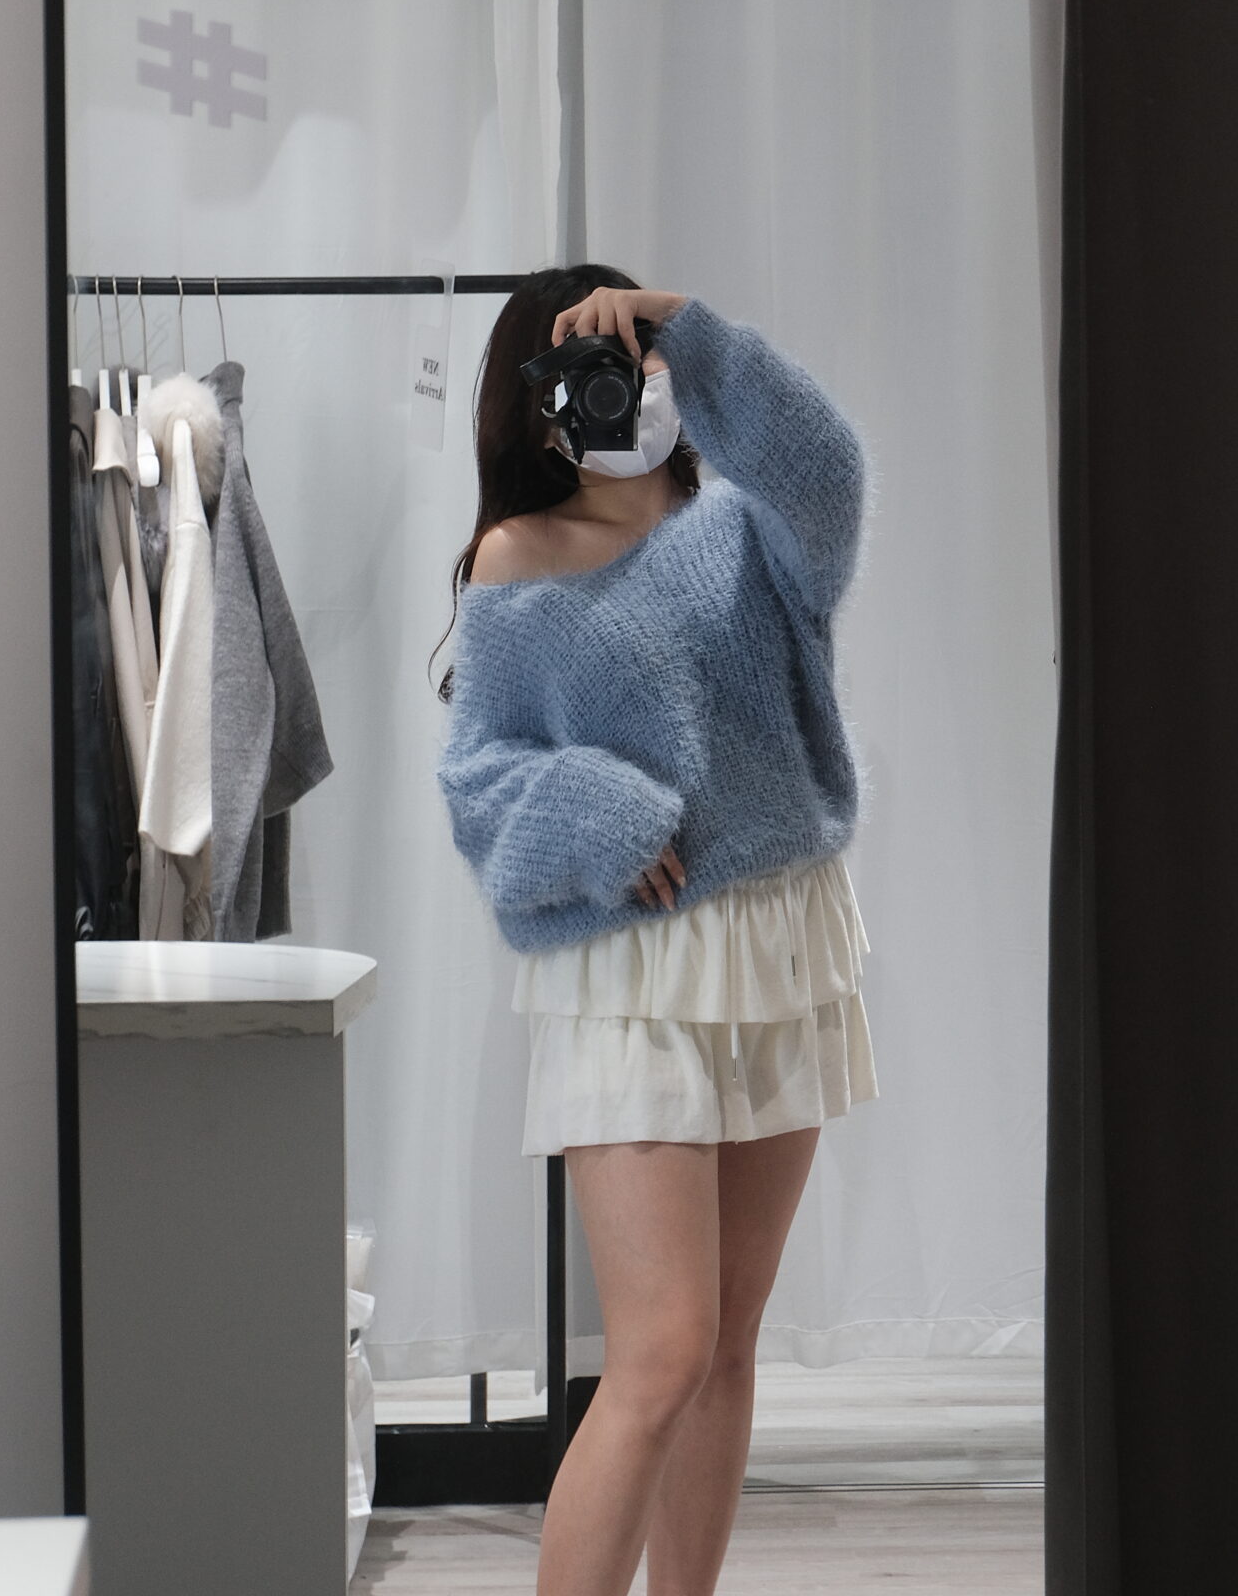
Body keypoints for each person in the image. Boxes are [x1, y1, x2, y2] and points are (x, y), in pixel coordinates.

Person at [437, 265, 879, 1596]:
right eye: (584, 363)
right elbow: (481, 779)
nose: (616, 385)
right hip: (631, 969)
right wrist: (600, 814)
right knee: (660, 1356)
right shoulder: (516, 556)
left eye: (629, 357)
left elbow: (830, 467)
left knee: (726, 1350)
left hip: (784, 940)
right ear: (535, 396)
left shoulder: (751, 524)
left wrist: (688, 326)